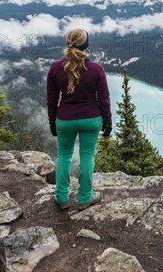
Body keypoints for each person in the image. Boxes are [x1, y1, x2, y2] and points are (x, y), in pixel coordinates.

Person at [46, 28, 112, 210]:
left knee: (64, 156)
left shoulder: (54, 68)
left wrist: (52, 122)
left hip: (65, 119)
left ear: (68, 43)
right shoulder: (96, 69)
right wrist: (108, 122)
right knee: (87, 157)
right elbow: (104, 99)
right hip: (91, 119)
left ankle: (61, 196)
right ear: (87, 45)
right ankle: (84, 197)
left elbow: (52, 100)